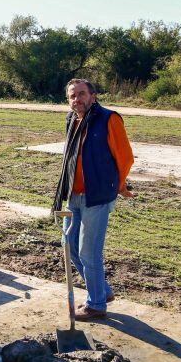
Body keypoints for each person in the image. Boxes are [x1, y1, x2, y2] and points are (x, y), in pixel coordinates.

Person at [52, 79, 134, 321]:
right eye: (72, 96)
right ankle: (103, 291)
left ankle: (96, 304)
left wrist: (118, 185)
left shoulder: (109, 119)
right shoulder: (71, 119)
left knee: (89, 253)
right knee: (70, 248)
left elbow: (125, 157)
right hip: (73, 196)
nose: (76, 99)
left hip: (96, 196)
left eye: (81, 94)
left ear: (93, 96)